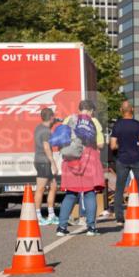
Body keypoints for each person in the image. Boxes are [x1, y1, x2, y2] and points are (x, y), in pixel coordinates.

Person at [56, 100, 106, 236]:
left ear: (79, 109)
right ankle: (91, 228)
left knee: (71, 193)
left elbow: (61, 139)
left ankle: (61, 227)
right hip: (89, 160)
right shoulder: (94, 122)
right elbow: (101, 144)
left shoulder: (69, 119)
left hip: (71, 160)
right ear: (91, 111)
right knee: (89, 193)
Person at [109, 100, 139, 224]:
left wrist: (120, 146)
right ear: (132, 110)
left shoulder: (117, 125)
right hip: (137, 159)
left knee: (120, 188)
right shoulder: (138, 125)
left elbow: (112, 146)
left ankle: (119, 218)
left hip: (122, 159)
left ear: (121, 110)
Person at [34, 108, 59, 225]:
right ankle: (38, 216)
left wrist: (58, 120)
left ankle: (51, 214)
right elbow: (46, 147)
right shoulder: (46, 131)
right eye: (54, 117)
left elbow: (53, 120)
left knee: (53, 186)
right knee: (41, 188)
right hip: (43, 162)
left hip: (42, 161)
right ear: (51, 118)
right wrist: (53, 162)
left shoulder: (39, 127)